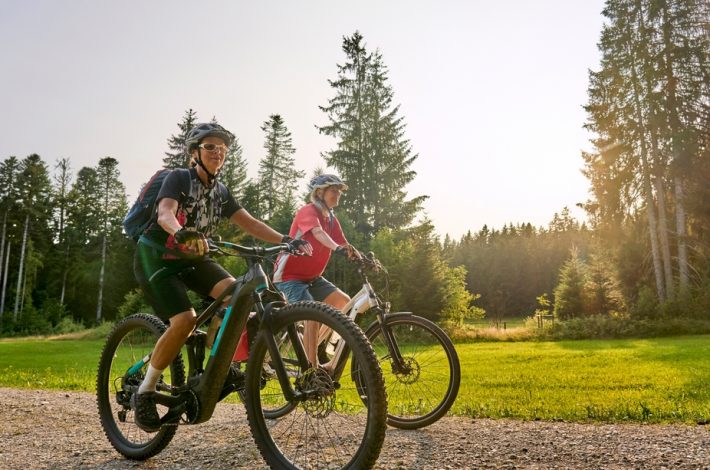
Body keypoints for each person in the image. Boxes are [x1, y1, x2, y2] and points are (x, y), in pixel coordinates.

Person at [132, 122, 311, 432]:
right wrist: (182, 231)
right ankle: (145, 391)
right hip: (157, 257)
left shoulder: (221, 192)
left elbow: (250, 223)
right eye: (211, 147)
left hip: (193, 258)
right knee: (185, 321)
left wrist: (286, 238)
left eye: (223, 149)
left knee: (238, 297)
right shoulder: (178, 178)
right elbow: (165, 214)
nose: (218, 153)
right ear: (195, 153)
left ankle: (222, 367)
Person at [272, 174, 361, 370]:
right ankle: (311, 369)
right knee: (312, 311)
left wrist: (361, 257)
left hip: (312, 278)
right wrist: (336, 248)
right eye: (333, 190)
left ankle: (312, 348)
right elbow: (317, 233)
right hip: (289, 277)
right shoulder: (308, 211)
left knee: (343, 302)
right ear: (319, 193)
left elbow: (343, 243)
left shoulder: (331, 218)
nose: (338, 194)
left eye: (339, 191)